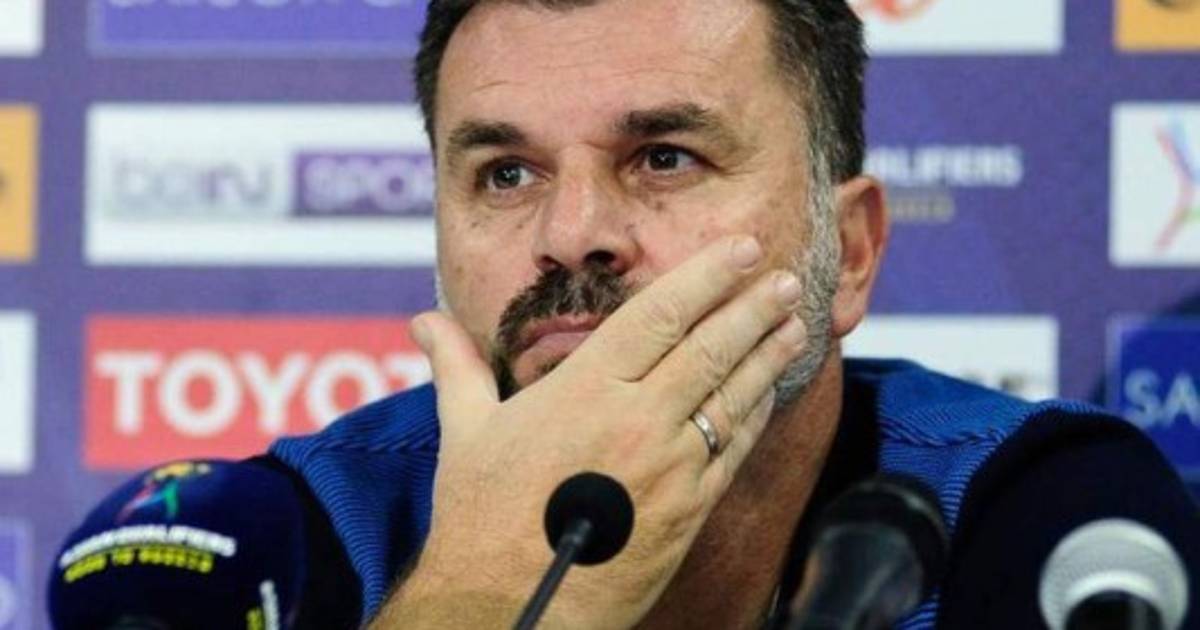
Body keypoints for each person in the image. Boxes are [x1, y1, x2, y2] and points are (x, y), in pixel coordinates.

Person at [49, 1, 1200, 628]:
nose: (571, 233)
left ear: (846, 252)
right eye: (506, 174)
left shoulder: (1045, 520)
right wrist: (476, 604)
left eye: (663, 156)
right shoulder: (274, 545)